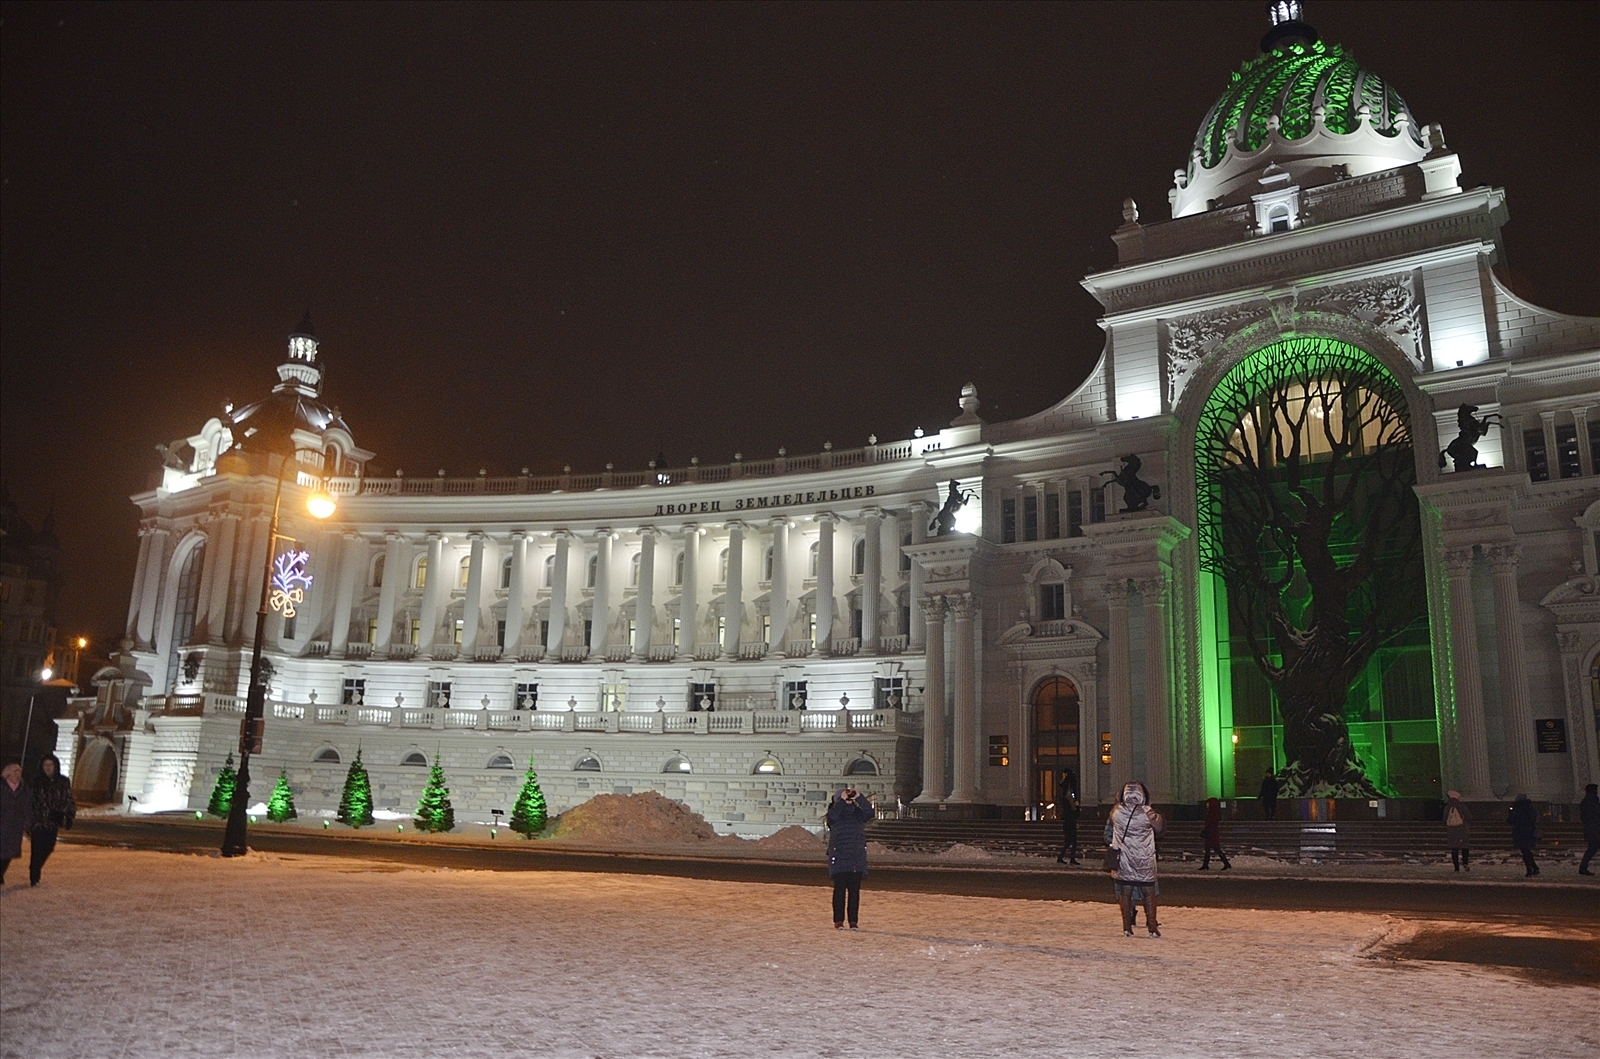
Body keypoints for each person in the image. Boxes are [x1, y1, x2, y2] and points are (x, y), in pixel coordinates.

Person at [1105, 781, 1163, 938]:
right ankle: (1152, 927)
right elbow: (1159, 828)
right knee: (1148, 892)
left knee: (1126, 891)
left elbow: (1111, 824)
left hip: (1124, 859)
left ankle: (1127, 927)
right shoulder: (1147, 812)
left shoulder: (1117, 811)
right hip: (1144, 859)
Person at [825, 786, 875, 929]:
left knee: (854, 892)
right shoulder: (834, 814)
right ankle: (838, 921)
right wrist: (841, 801)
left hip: (856, 858)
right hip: (840, 856)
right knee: (839, 891)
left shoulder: (857, 814)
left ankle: (853, 921)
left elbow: (870, 812)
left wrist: (859, 797)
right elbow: (832, 816)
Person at [29, 753, 76, 887]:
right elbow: (30, 801)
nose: (48, 768)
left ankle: (36, 867)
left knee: (49, 847)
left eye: (50, 765)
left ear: (55, 766)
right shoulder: (36, 782)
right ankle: (34, 875)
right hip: (38, 821)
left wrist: (69, 815)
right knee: (36, 849)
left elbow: (68, 799)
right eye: (45, 765)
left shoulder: (63, 781)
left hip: (53, 821)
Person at [1, 762, 32, 886]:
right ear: (7, 774)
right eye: (14, 771)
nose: (17, 775)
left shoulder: (24, 789)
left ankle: (1, 872)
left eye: (19, 771)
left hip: (15, 826)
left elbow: (28, 807)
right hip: (2, 824)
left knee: (9, 852)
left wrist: (27, 823)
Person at [1507, 792, 1538, 878]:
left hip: (1519, 831)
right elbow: (1534, 817)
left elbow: (1510, 820)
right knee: (1526, 850)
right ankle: (1534, 868)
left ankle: (1530, 869)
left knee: (1525, 851)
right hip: (1528, 830)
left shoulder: (1516, 808)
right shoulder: (1530, 807)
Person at [1199, 796, 1231, 870]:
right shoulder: (1213, 813)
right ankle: (1206, 864)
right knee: (1210, 849)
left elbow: (1211, 824)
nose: (1207, 805)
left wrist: (1206, 830)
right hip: (1212, 834)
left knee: (1214, 849)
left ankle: (1225, 863)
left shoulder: (1212, 814)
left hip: (1211, 835)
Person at [1056, 769, 1080, 866]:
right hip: (1070, 821)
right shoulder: (1069, 797)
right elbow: (1073, 809)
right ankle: (1068, 858)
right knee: (1072, 841)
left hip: (1068, 821)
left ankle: (1063, 857)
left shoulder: (1065, 795)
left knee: (1070, 841)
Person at [1443, 790, 1471, 872]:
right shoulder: (1461, 806)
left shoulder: (1447, 807)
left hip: (1452, 830)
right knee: (1464, 847)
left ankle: (1456, 867)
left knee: (1454, 848)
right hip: (1462, 829)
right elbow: (1469, 816)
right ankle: (1465, 863)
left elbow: (1444, 818)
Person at [1578, 783, 1599, 876]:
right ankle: (1583, 867)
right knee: (1592, 849)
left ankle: (1583, 867)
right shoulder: (1593, 800)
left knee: (1592, 849)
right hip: (1595, 829)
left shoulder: (1585, 801)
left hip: (1590, 829)